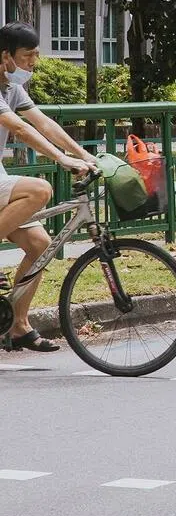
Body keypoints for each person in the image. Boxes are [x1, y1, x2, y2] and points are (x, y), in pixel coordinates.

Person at [0, 22, 95, 352]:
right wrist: (61, 160)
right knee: (39, 190)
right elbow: (20, 130)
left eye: (35, 56)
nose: (32, 64)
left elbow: (42, 123)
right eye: (27, 56)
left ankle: (18, 326)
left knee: (40, 245)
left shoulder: (12, 89)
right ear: (5, 56)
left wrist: (83, 154)